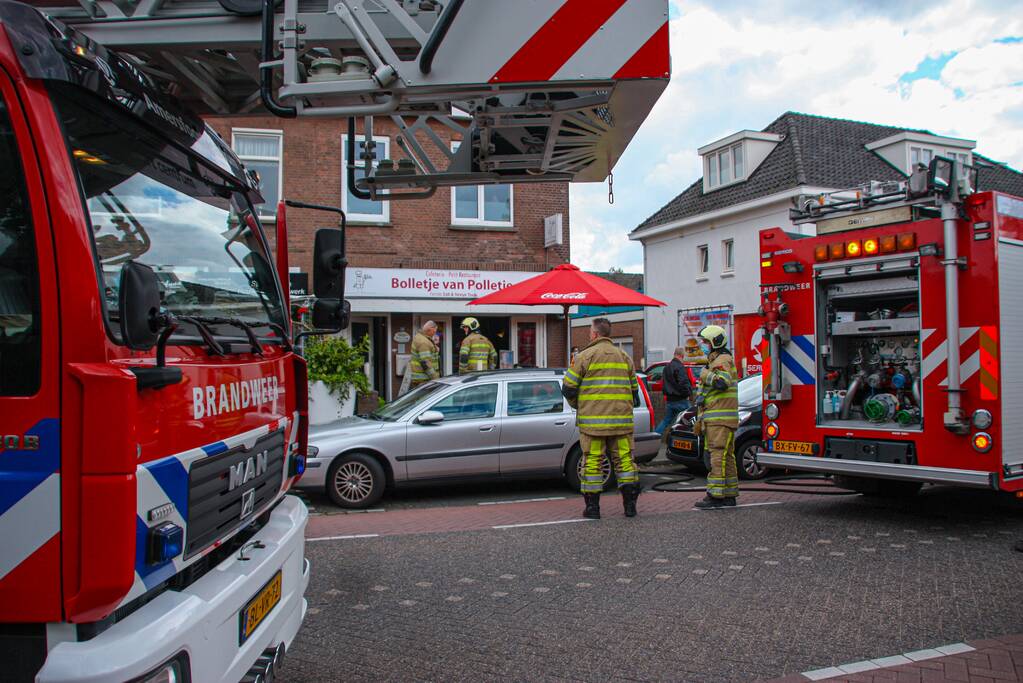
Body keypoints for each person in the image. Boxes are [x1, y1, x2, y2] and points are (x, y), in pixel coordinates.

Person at [562, 317, 641, 519]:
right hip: (622, 424)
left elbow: (568, 387)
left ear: (594, 334)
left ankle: (593, 509)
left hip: (593, 425)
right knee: (625, 462)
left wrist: (578, 405)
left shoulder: (585, 356)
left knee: (593, 463)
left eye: (590, 330)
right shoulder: (625, 356)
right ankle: (630, 507)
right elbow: (634, 392)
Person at [693, 325, 740, 509]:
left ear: (715, 342)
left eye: (705, 342)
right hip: (719, 419)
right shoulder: (717, 360)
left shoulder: (722, 360)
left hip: (719, 420)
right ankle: (729, 494)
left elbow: (722, 382)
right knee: (726, 457)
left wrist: (704, 374)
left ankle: (715, 495)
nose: (703, 345)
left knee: (717, 457)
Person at [655, 347, 693, 436]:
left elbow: (664, 383)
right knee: (691, 418)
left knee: (666, 421)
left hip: (670, 400)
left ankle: (655, 437)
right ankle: (688, 439)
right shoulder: (680, 367)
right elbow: (683, 383)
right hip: (681, 400)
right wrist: (688, 393)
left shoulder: (666, 367)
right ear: (682, 356)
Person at [409, 321, 441, 388]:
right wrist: (436, 379)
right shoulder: (423, 342)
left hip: (421, 379)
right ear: (430, 329)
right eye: (434, 331)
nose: (434, 333)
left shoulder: (420, 337)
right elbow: (426, 363)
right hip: (424, 380)